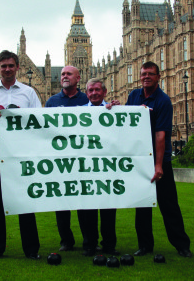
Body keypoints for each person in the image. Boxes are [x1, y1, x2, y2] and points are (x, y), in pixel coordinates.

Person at [0, 50, 41, 261]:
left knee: (26, 197)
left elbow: (39, 118)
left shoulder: (28, 92)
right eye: (3, 66)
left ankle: (31, 250)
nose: (7, 69)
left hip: (21, 148)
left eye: (10, 65)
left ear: (17, 68)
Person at [126, 61, 192, 257]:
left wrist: (158, 165)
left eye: (151, 74)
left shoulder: (162, 101)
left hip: (159, 160)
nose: (146, 76)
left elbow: (161, 135)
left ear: (158, 76)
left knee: (168, 204)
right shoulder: (134, 96)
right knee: (143, 205)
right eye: (144, 73)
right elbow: (125, 120)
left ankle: (182, 245)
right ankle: (145, 246)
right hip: (140, 159)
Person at [46, 65, 94, 255]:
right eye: (63, 74)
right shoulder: (52, 101)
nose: (65, 76)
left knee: (86, 203)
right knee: (62, 203)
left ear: (78, 78)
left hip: (83, 160)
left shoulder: (87, 99)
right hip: (61, 160)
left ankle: (90, 240)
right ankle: (66, 240)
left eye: (69, 74)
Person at [82, 78, 120, 256]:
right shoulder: (78, 113)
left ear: (104, 92)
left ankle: (109, 245)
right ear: (87, 93)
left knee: (108, 209)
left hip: (107, 167)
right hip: (87, 167)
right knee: (88, 209)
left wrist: (121, 110)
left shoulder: (115, 110)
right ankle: (90, 245)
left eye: (98, 90)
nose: (94, 93)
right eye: (91, 91)